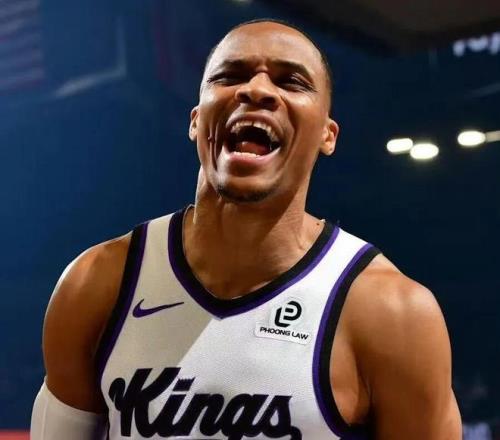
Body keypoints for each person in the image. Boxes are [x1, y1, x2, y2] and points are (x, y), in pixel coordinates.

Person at [31, 18, 462, 439]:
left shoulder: (393, 314)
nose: (256, 90)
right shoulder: (98, 283)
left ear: (327, 135)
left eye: (291, 81)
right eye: (230, 76)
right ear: (196, 120)